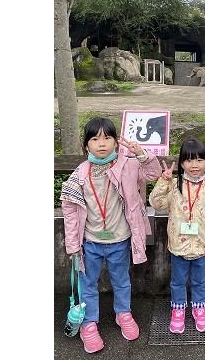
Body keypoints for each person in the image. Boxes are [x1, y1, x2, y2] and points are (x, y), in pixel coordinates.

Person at [60, 117, 162, 354]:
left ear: (116, 142)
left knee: (121, 280)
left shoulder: (127, 165)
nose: (102, 143)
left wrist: (140, 153)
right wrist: (73, 245)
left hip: (120, 239)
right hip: (90, 242)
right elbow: (70, 212)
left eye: (107, 138)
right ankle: (88, 323)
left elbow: (154, 173)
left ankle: (123, 313)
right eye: (95, 139)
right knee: (88, 284)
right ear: (86, 145)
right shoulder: (80, 174)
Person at [149, 138, 205, 334]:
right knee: (178, 281)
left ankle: (199, 307)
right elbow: (156, 203)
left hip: (202, 245)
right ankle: (178, 308)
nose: (194, 165)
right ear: (182, 163)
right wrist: (163, 181)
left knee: (200, 280)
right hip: (178, 245)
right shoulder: (174, 185)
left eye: (199, 160)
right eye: (189, 160)